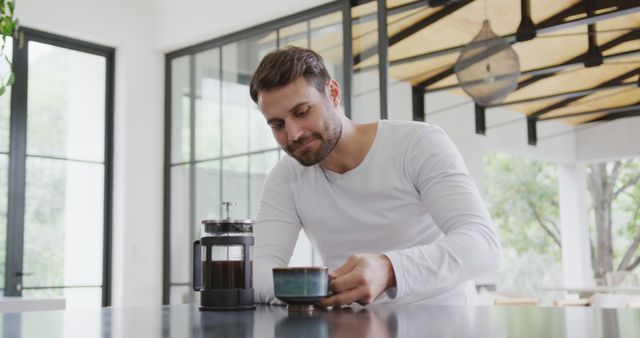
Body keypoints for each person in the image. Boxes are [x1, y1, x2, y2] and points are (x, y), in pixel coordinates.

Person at [249, 46, 502, 307]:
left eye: (302, 112)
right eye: (277, 124)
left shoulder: (417, 144)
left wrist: (389, 269)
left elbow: (483, 246)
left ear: (333, 94)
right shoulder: (286, 177)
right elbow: (256, 272)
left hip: (443, 323)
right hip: (350, 328)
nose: (293, 134)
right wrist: (321, 289)